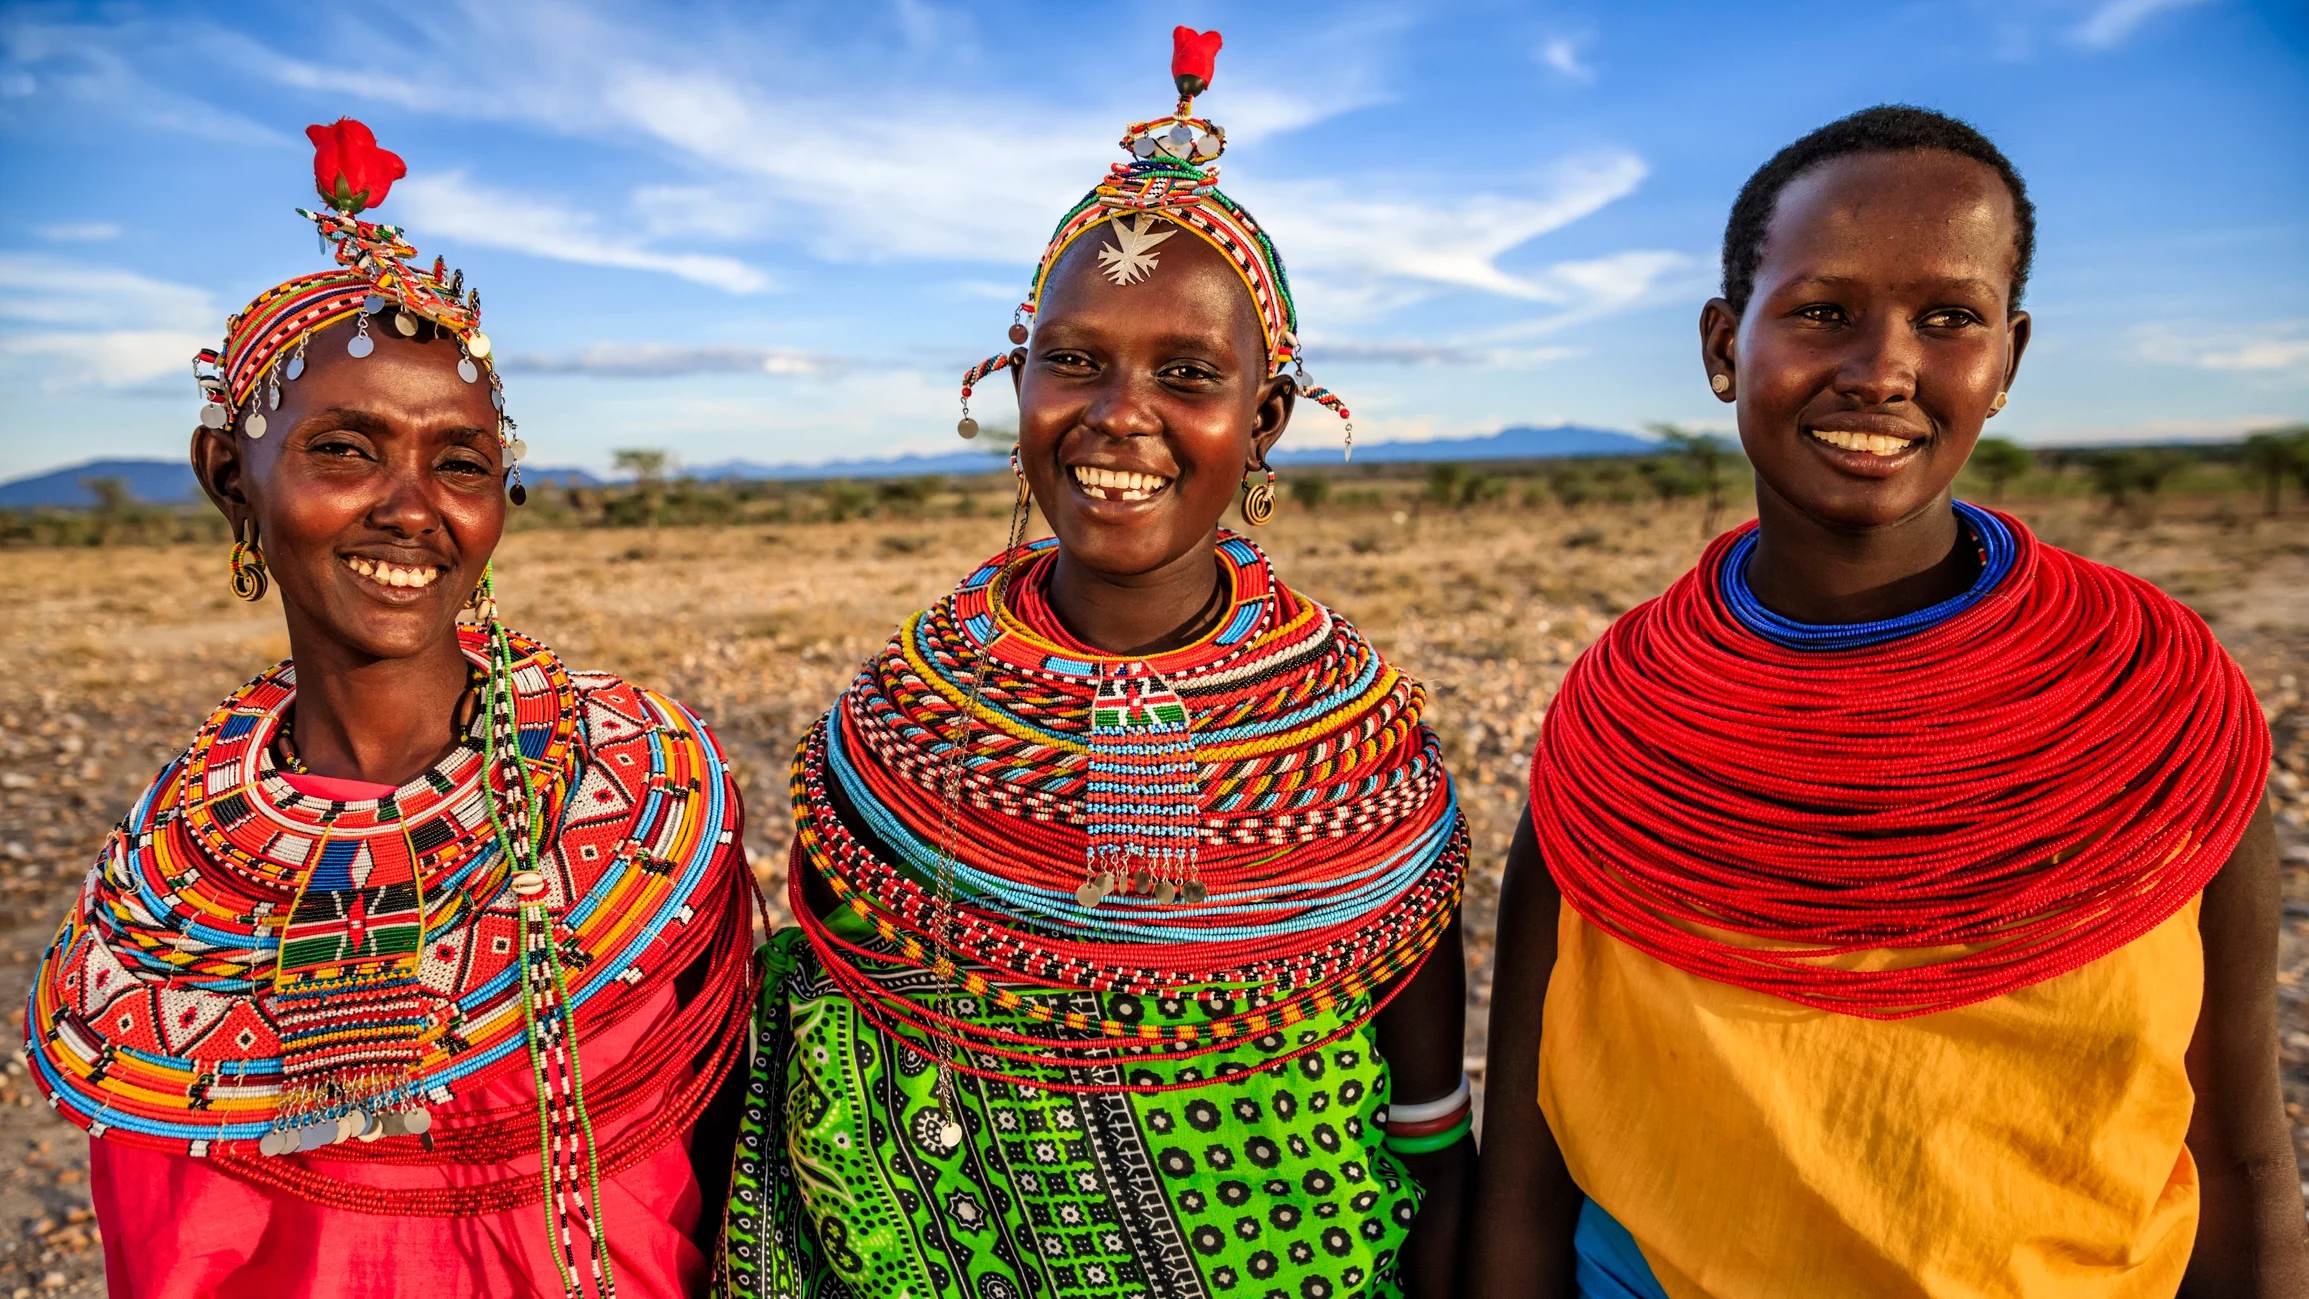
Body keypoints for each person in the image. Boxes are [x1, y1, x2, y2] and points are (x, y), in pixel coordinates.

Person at [1469, 104, 2308, 1298]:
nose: (1880, 370)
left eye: (1948, 318)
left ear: (2006, 359)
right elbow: (1525, 1170)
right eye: (1820, 312)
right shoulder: (1625, 721)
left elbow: (2234, 1155)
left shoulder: (2152, 704)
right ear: (1722, 346)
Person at [722, 27, 1472, 1299]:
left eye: (1186, 375)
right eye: (1073, 361)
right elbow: (826, 1034)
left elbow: (1430, 1129)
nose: (1119, 415)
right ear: (1016, 385)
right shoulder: (901, 725)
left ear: (1265, 418)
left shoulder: (1354, 742)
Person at [24, 119, 759, 1299]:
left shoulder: (639, 799)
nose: (411, 509)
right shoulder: (159, 889)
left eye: (459, 463)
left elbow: (726, 1184)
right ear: (231, 480)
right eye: (344, 450)